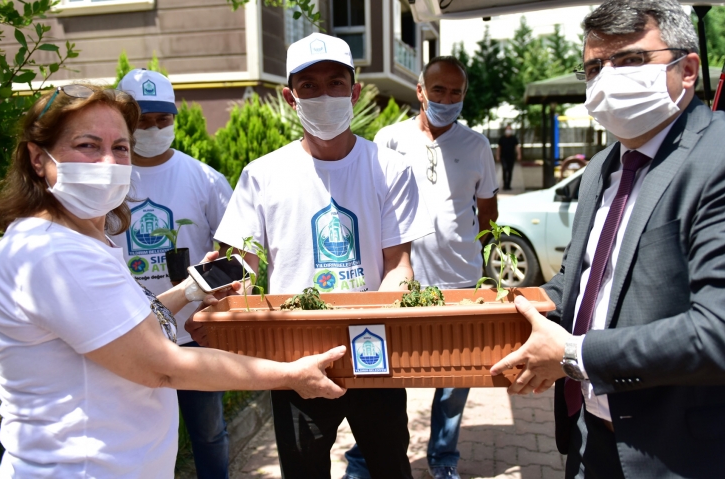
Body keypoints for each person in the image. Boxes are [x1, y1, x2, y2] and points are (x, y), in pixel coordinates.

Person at [489, 0, 725, 478]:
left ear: (687, 70)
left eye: (632, 59)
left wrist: (574, 354)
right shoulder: (603, 167)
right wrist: (492, 311)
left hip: (696, 456)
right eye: (596, 67)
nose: (610, 77)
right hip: (593, 442)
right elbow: (585, 287)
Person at [0, 84, 346, 478]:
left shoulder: (80, 241)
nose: (109, 162)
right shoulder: (53, 254)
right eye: (88, 145)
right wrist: (290, 374)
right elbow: (163, 366)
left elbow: (127, 322)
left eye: (120, 147)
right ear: (38, 159)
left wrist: (190, 291)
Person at [212, 32, 433, 479]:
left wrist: (385, 317)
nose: (324, 94)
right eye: (309, 85)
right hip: (294, 353)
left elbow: (398, 265)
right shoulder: (263, 175)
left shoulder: (389, 169)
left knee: (390, 464)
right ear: (290, 96)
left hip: (374, 346)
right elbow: (240, 267)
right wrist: (212, 289)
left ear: (354, 91)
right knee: (304, 470)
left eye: (335, 82)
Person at [342, 56, 498, 479]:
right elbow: (373, 205)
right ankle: (365, 458)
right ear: (421, 91)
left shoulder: (477, 146)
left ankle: (443, 459)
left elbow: (487, 214)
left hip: (461, 279)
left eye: (456, 93)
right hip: (400, 282)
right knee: (385, 379)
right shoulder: (390, 140)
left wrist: (487, 270)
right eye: (440, 90)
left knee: (456, 379)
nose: (447, 100)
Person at [108, 69, 234, 478]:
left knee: (209, 431)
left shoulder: (204, 179)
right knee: (138, 436)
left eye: (163, 120)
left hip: (194, 332)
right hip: (130, 334)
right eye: (143, 121)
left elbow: (234, 253)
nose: (154, 128)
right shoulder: (110, 183)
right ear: (126, 122)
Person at [496, 124, 521, 191]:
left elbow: (517, 147)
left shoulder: (514, 138)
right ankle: (504, 184)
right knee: (504, 169)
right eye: (507, 129)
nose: (508, 131)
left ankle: (508, 185)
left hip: (511, 157)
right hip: (503, 157)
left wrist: (519, 154)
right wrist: (497, 156)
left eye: (509, 129)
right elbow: (499, 148)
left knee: (510, 171)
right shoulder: (502, 139)